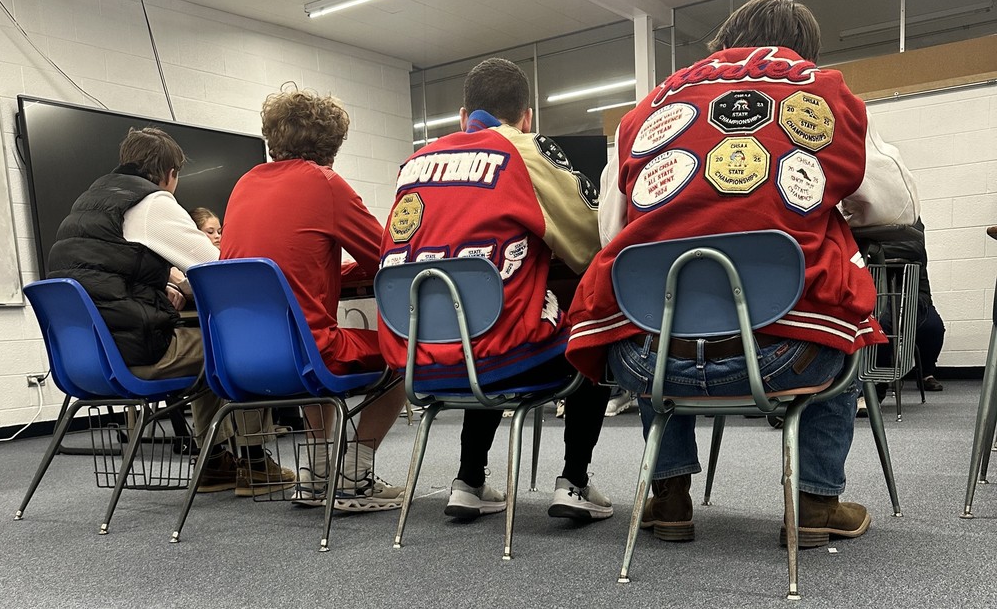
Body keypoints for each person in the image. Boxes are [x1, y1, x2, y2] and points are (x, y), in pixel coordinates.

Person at [565, 0, 919, 548]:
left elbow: (611, 233)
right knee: (845, 322)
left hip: (651, 363)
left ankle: (670, 497)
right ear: (805, 52)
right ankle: (815, 505)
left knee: (651, 312)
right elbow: (898, 210)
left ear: (724, 43)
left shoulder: (651, 106)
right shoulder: (823, 93)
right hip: (787, 354)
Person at [379, 57, 614, 522]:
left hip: (413, 360)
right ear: (527, 118)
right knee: (592, 338)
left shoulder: (413, 163)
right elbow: (594, 240)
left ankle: (468, 481)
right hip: (496, 359)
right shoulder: (524, 150)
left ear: (463, 117)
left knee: (483, 320)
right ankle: (574, 482)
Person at [48, 127, 291, 497]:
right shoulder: (152, 202)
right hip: (135, 350)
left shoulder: (89, 203)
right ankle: (256, 464)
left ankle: (214, 463)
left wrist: (165, 281)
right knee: (237, 348)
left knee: (207, 347)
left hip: (88, 358)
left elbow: (104, 273)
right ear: (171, 174)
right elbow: (219, 269)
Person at [220, 89, 407, 512]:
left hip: (240, 359)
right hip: (305, 354)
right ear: (331, 145)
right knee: (402, 353)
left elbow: (281, 266)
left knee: (303, 336)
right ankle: (355, 477)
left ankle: (316, 474)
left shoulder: (243, 184)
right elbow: (387, 259)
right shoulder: (325, 184)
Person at [876, 217, 946, 393]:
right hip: (877, 290)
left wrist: (873, 247)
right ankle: (882, 376)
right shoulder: (865, 216)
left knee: (933, 328)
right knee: (882, 323)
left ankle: (926, 373)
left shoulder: (910, 216)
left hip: (913, 292)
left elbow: (914, 249)